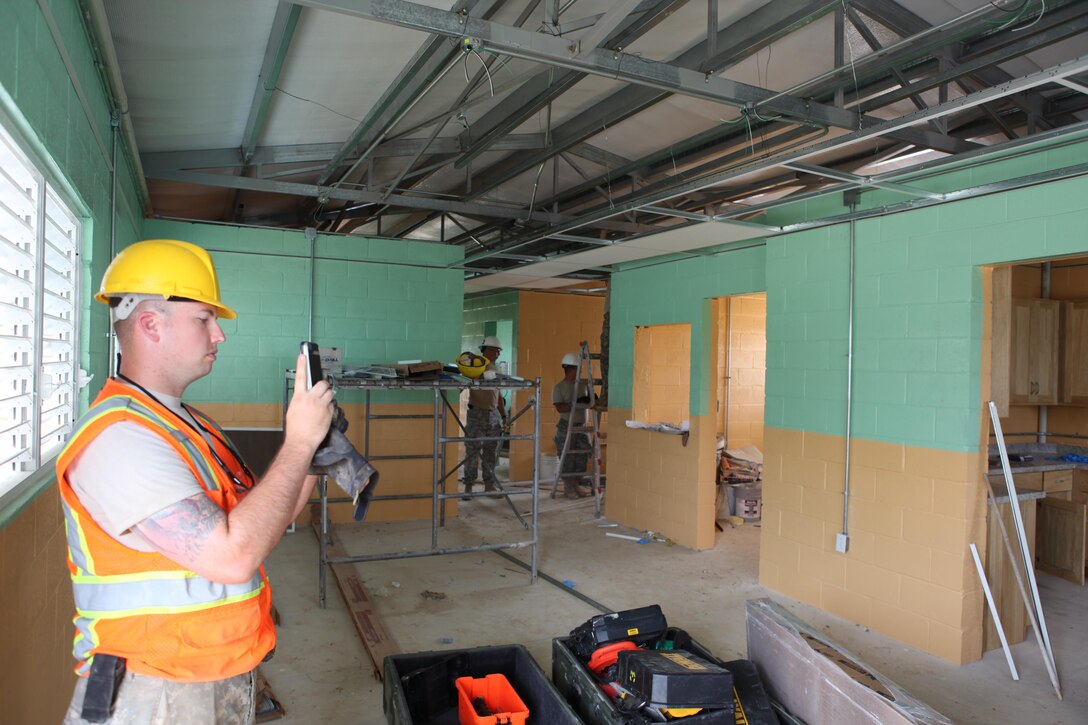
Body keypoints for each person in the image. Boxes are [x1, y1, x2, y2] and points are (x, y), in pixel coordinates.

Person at [57, 239, 335, 724]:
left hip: (211, 673)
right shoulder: (120, 439)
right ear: (150, 325)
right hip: (153, 691)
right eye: (204, 319)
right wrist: (296, 443)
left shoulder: (187, 424)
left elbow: (265, 521)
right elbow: (234, 556)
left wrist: (314, 452)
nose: (219, 335)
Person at [462, 335, 507, 495]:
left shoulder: (494, 369)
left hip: (493, 415)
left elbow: (499, 395)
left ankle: (489, 484)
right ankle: (468, 485)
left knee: (490, 452)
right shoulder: (475, 366)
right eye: (496, 351)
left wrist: (503, 415)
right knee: (472, 451)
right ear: (487, 350)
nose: (498, 355)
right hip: (477, 414)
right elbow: (463, 384)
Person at [552, 352, 594, 499]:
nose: (579, 372)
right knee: (567, 457)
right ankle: (568, 487)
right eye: (577, 369)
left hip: (582, 427)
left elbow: (591, 402)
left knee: (582, 455)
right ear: (569, 369)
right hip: (566, 426)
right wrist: (574, 404)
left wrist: (590, 399)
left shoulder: (584, 385)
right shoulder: (559, 387)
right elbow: (560, 408)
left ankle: (576, 485)